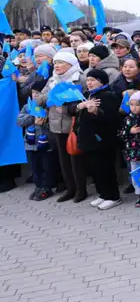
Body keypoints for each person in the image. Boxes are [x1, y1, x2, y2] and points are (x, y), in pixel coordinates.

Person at [38, 51, 87, 203]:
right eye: (56, 63)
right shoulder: (52, 80)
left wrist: (64, 97)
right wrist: (54, 93)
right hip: (56, 124)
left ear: (71, 64)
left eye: (61, 63)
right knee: (63, 159)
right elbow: (40, 99)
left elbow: (83, 100)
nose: (57, 66)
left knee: (76, 159)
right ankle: (70, 188)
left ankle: (81, 189)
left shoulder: (79, 78)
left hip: (73, 124)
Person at [70, 69, 121, 210]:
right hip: (87, 138)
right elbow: (70, 109)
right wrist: (79, 106)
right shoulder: (86, 95)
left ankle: (113, 196)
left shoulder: (108, 96)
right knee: (94, 169)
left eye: (93, 80)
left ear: (102, 81)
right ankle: (103, 194)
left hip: (103, 139)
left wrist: (96, 112)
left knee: (105, 168)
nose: (89, 83)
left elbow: (112, 118)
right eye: (88, 80)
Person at [17, 78, 59, 201]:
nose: (35, 95)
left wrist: (44, 121)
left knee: (46, 166)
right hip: (30, 143)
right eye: (33, 92)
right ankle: (38, 186)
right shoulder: (27, 106)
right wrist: (32, 118)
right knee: (35, 167)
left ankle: (47, 187)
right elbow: (19, 121)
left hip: (46, 143)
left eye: (38, 93)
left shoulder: (49, 107)